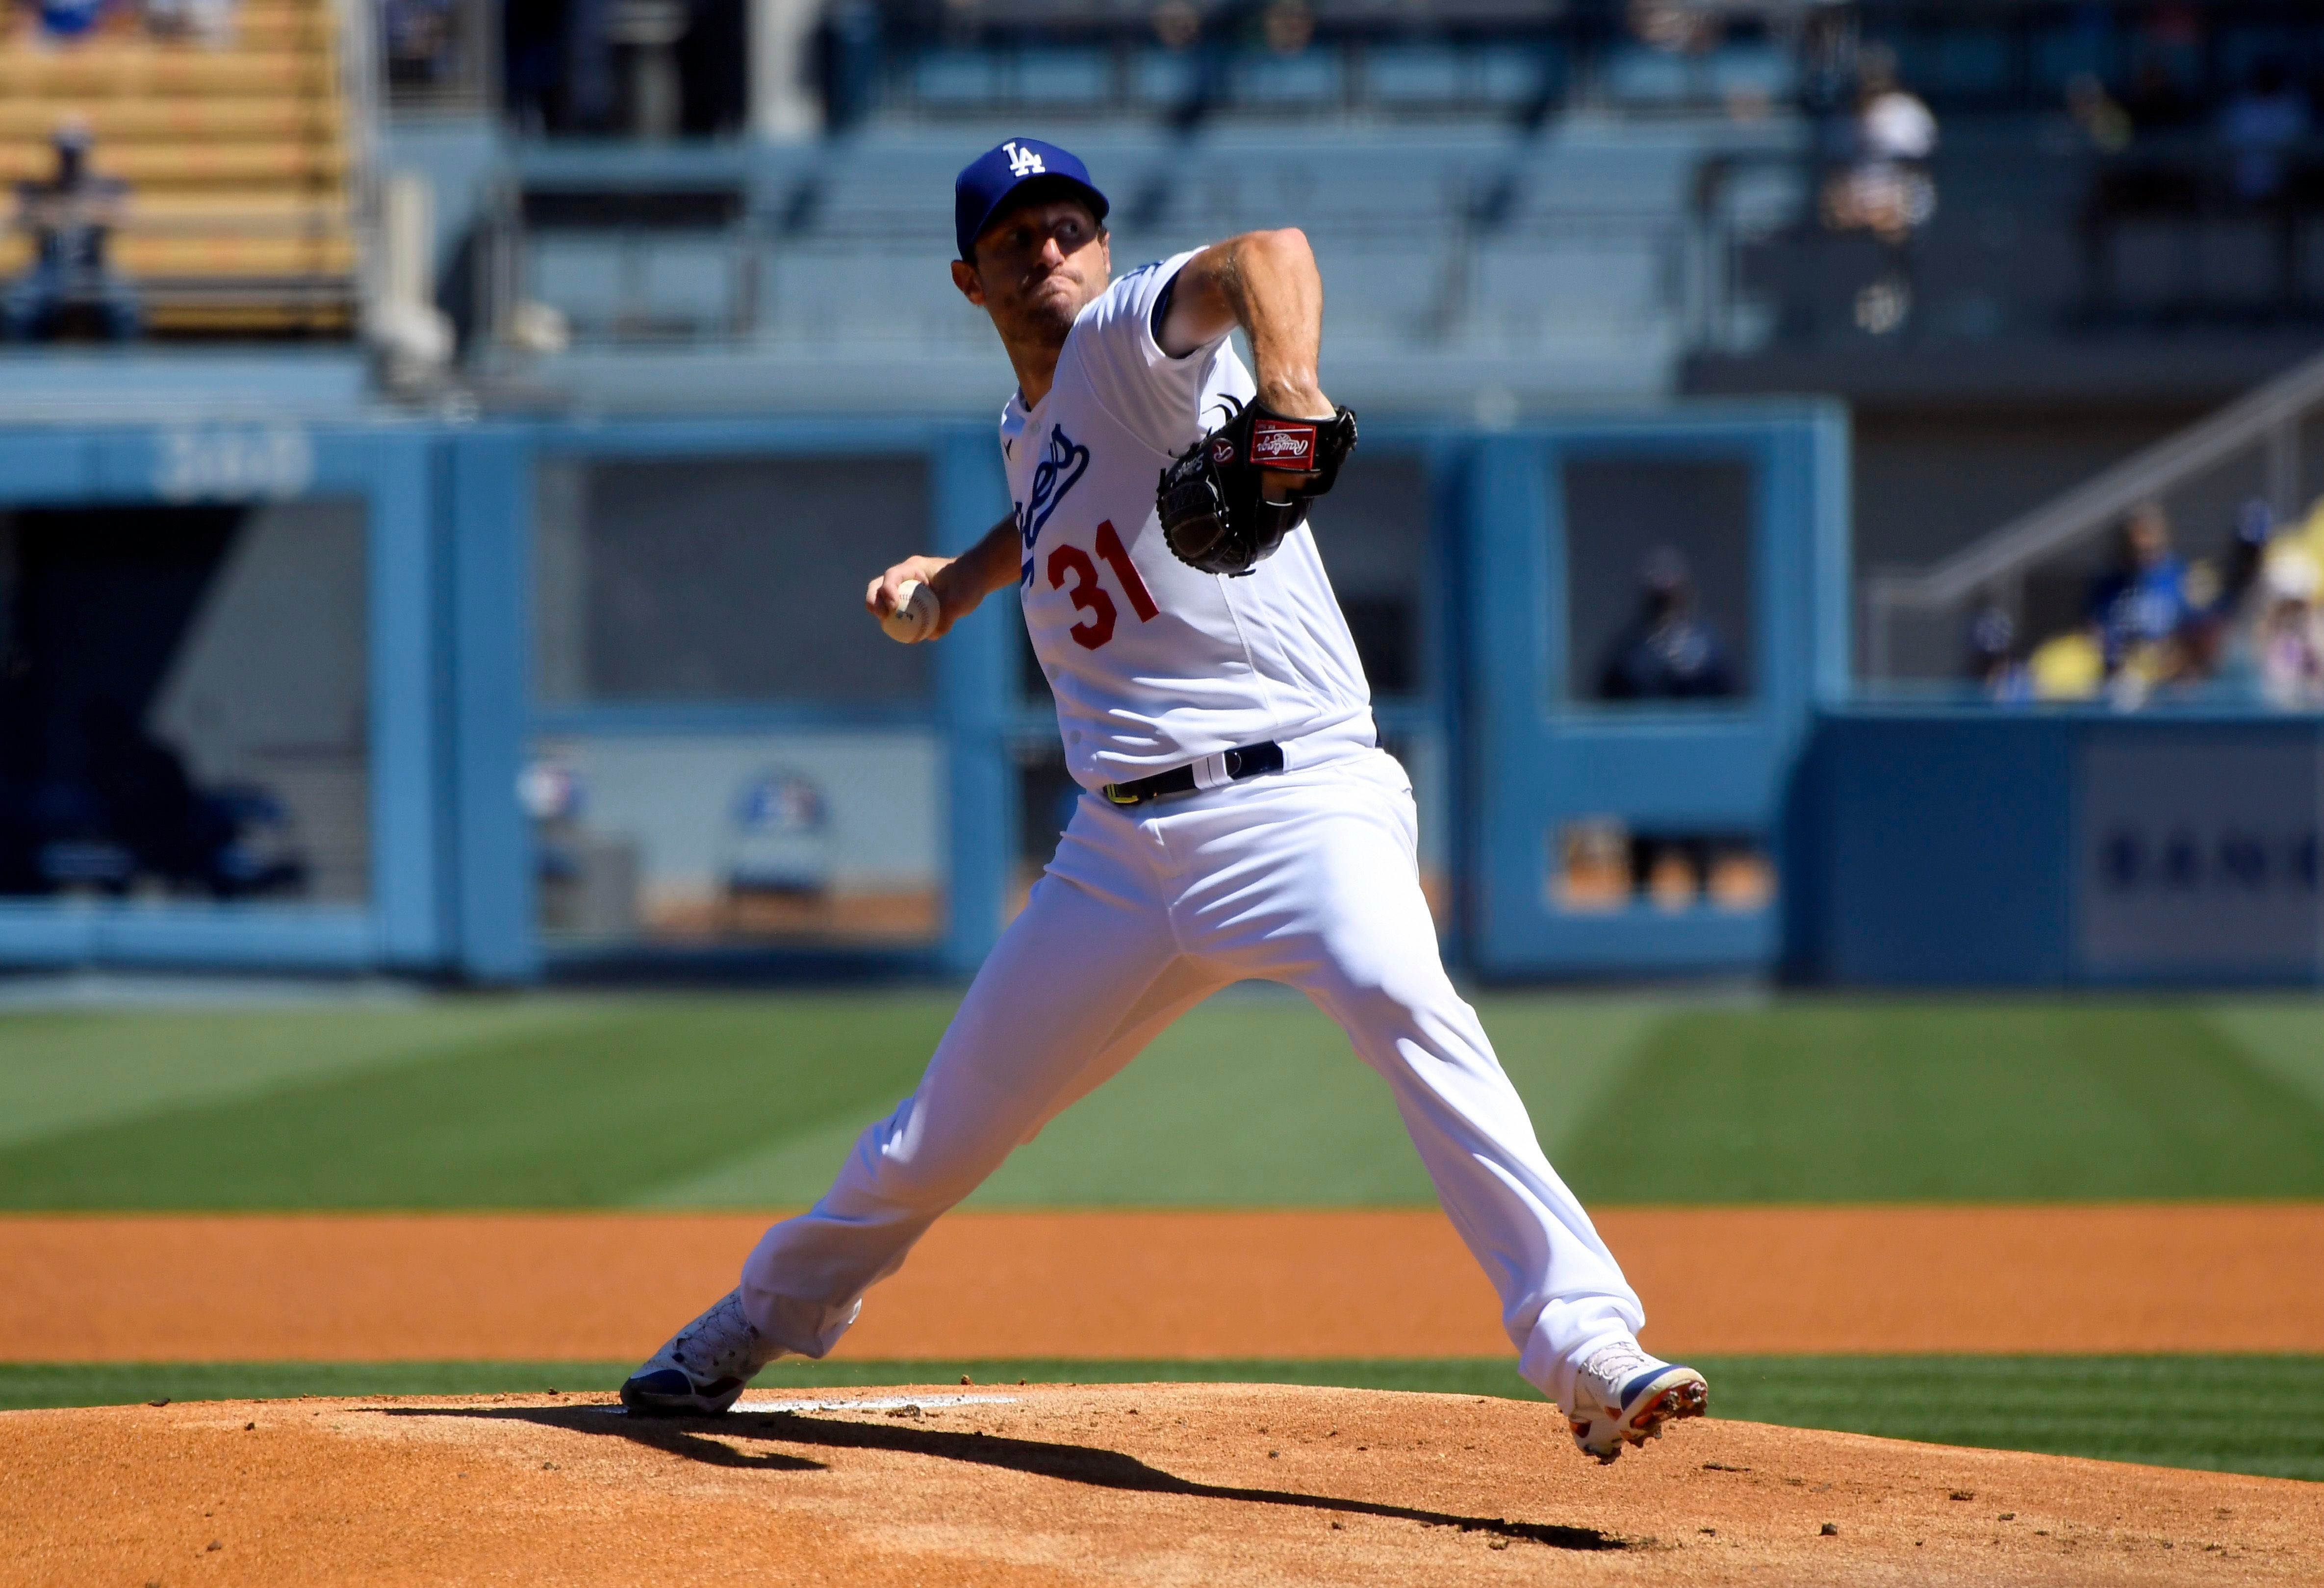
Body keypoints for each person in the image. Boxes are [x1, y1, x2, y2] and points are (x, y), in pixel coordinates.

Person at [618, 136, 1709, 1464]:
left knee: (1409, 1006)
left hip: (1299, 800)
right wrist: (958, 586)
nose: (1052, 252)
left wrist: (1291, 387)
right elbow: (1054, 487)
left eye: (1072, 225)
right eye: (1018, 238)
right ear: (968, 281)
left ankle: (1588, 1337)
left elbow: (1272, 256)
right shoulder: (1030, 420)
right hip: (1119, 856)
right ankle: (754, 1317)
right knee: (936, 1133)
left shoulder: (1128, 333)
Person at [3, 119, 140, 343]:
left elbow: (125, 219)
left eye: (75, 154)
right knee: (18, 306)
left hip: (95, 265)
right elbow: (13, 222)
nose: (70, 161)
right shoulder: (35, 188)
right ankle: (29, 371)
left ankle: (122, 372)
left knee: (125, 306)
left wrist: (93, 214)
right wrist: (43, 215)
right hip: (47, 268)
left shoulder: (108, 187)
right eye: (65, 154)